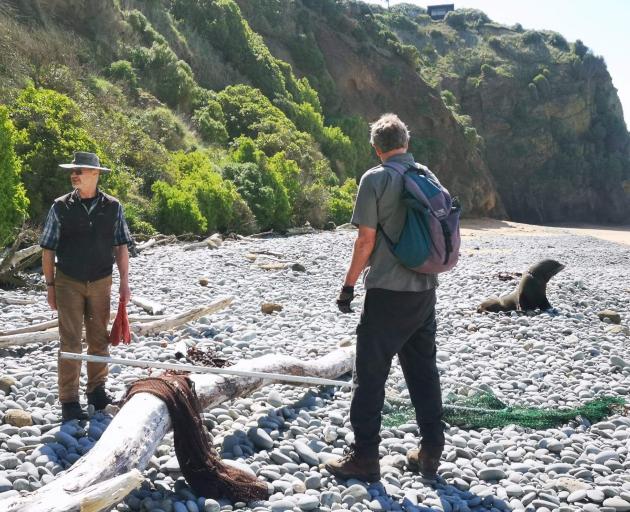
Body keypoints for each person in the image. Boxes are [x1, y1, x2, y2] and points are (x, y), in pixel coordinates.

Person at [325, 114, 445, 482]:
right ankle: (431, 450)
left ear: (377, 148)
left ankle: (364, 459)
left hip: (387, 294)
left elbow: (365, 240)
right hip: (425, 291)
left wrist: (347, 287)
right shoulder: (427, 176)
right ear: (405, 144)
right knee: (423, 372)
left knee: (370, 377)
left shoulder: (375, 178)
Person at [39, 151, 132, 421]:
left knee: (98, 338)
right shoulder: (60, 206)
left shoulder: (113, 206)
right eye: (73, 170)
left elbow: (121, 246)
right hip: (68, 280)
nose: (74, 175)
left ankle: (97, 392)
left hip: (102, 280)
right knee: (69, 341)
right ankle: (69, 400)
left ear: (95, 174)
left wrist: (125, 284)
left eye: (79, 170)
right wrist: (50, 286)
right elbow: (47, 249)